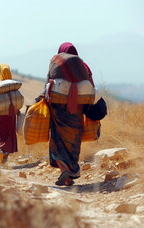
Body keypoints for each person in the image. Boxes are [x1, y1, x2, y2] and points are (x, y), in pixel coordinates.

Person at [41, 42, 95, 186]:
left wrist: (39, 101)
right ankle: (70, 174)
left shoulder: (57, 65)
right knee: (74, 142)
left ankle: (64, 170)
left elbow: (47, 86)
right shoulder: (83, 67)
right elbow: (91, 87)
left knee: (57, 141)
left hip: (58, 111)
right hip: (77, 112)